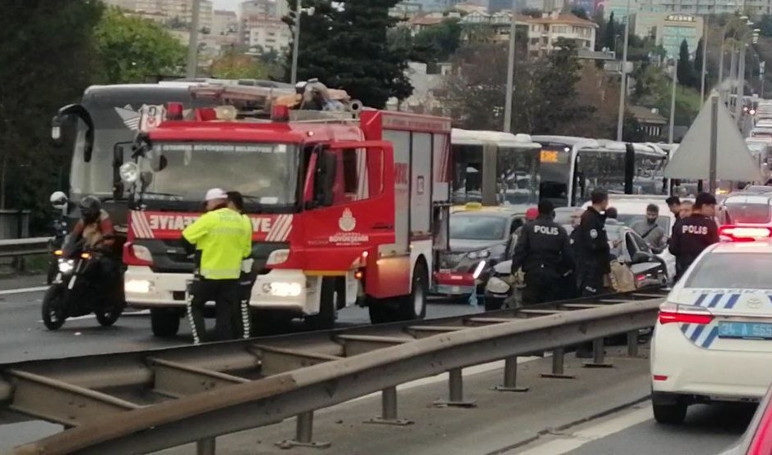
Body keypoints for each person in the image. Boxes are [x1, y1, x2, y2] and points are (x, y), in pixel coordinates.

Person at [182, 188, 252, 344]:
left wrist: (191, 254)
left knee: (194, 305)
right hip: (232, 276)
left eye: (207, 203)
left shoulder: (210, 218)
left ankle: (199, 342)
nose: (206, 206)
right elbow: (246, 250)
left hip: (208, 275)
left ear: (213, 202)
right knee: (225, 313)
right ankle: (223, 346)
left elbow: (186, 238)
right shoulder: (241, 220)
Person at [510, 200, 574, 304]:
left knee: (530, 306)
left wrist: (514, 269)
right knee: (549, 306)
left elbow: (520, 250)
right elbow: (568, 255)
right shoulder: (560, 230)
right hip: (552, 274)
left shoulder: (529, 228)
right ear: (552, 212)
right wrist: (562, 271)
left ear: (539, 211)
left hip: (532, 273)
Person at [67, 196, 120, 294]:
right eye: (83, 210)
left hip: (99, 251)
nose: (85, 213)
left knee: (106, 267)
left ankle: (105, 293)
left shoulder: (103, 218)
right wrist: (68, 246)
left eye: (87, 211)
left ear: (94, 210)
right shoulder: (83, 220)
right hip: (85, 249)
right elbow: (75, 234)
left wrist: (103, 246)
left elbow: (109, 235)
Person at [669, 192, 719, 282]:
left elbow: (673, 249)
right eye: (711, 207)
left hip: (684, 271)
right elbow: (714, 248)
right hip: (704, 272)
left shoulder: (681, 224)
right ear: (704, 206)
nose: (713, 211)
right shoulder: (710, 225)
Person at [227, 191, 256, 339]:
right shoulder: (242, 219)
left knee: (242, 304)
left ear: (232, 204)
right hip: (238, 266)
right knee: (235, 304)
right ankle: (238, 334)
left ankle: (245, 336)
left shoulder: (241, 220)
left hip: (244, 266)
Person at [576, 189, 611, 296]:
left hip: (596, 267)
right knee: (590, 297)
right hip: (591, 268)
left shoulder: (596, 218)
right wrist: (608, 245)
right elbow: (592, 243)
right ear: (604, 201)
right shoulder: (590, 218)